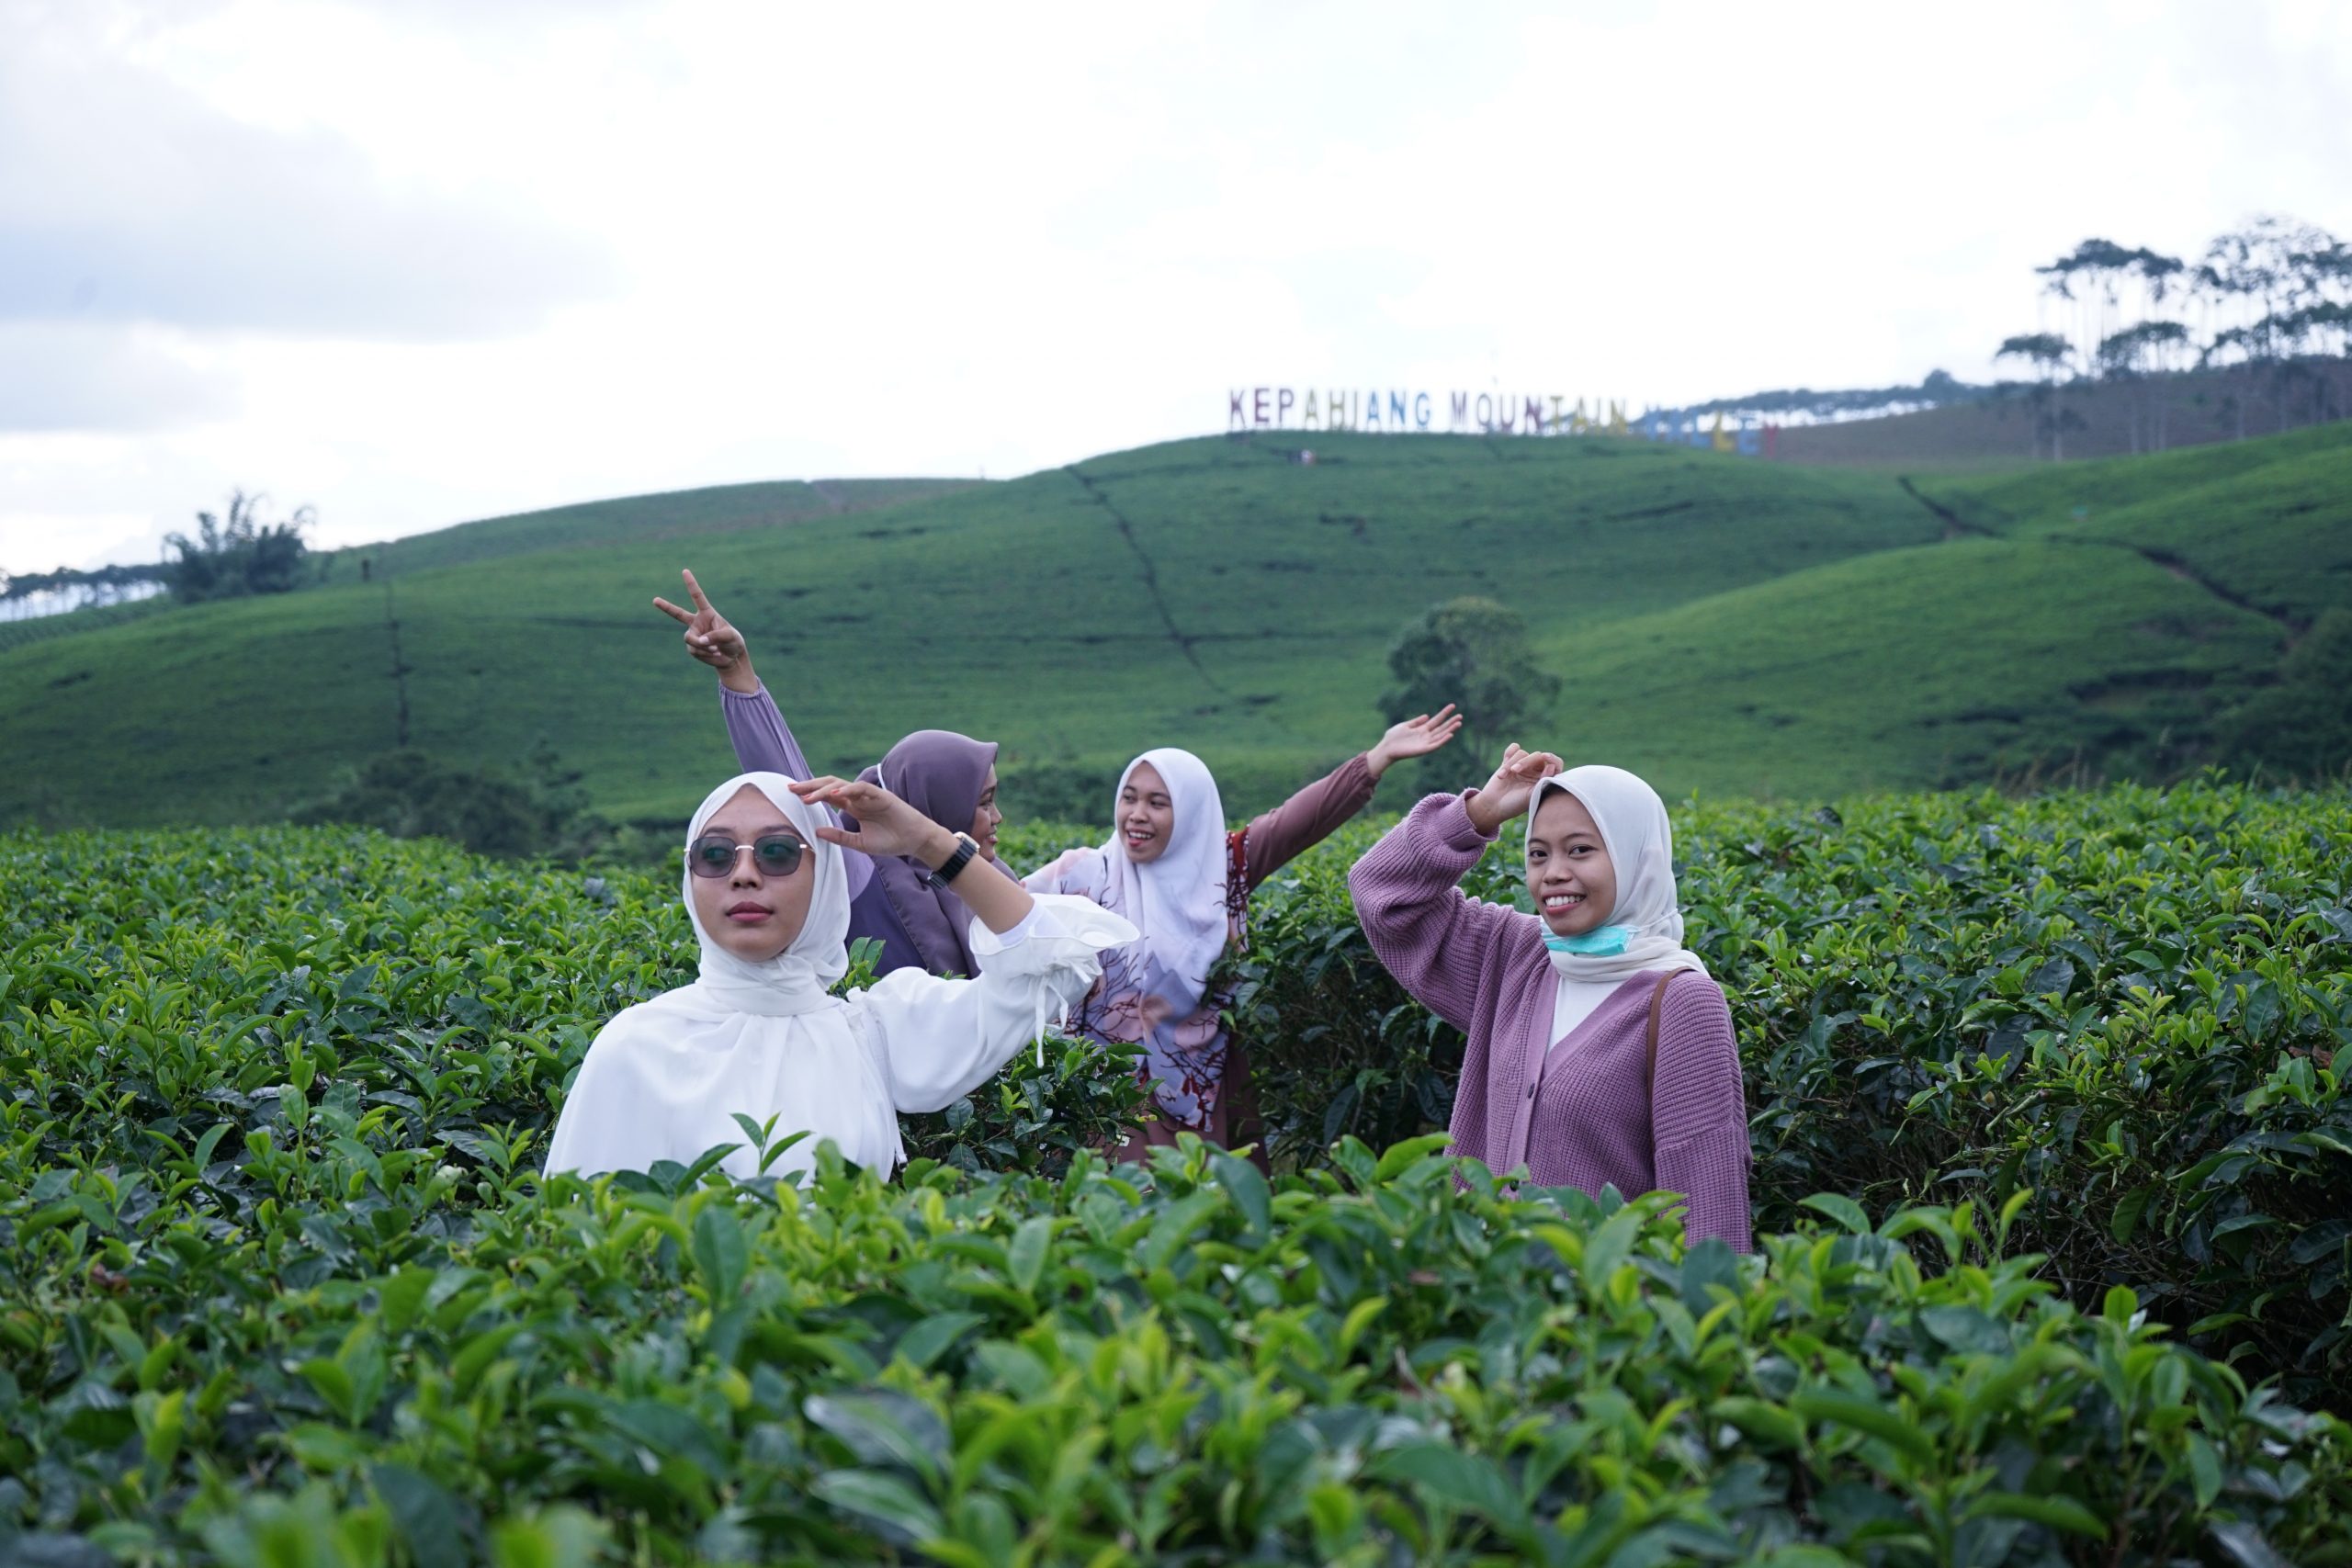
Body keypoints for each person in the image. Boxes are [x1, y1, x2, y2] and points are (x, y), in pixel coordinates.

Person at [543, 770, 1136, 1181]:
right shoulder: (637, 1045)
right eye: (716, 855)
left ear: (825, 874)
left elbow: (1053, 965)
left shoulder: (870, 1031)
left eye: (777, 853)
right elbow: (581, 1251)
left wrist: (929, 842)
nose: (744, 875)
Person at [1347, 744, 1750, 1248]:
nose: (1553, 873)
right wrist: (1480, 813)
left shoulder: (1682, 1002)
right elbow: (1380, 893)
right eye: (1538, 853)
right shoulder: (1517, 955)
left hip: (1603, 1312)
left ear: (1636, 857)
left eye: (1580, 850)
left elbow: (1707, 1203)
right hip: (1485, 1303)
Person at [1025, 713, 1461, 1164]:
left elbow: (1297, 822)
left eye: (1158, 803)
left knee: (1209, 1212)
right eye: (1129, 798)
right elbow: (1002, 908)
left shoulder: (1223, 869)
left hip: (1201, 1082)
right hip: (1104, 1087)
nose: (1137, 815)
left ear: (1192, 812)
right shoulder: (1081, 875)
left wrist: (1375, 759)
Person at [655, 569, 1016, 978]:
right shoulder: (865, 873)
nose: (997, 816)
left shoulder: (993, 880)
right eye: (982, 802)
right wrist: (737, 673)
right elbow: (786, 784)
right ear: (939, 803)